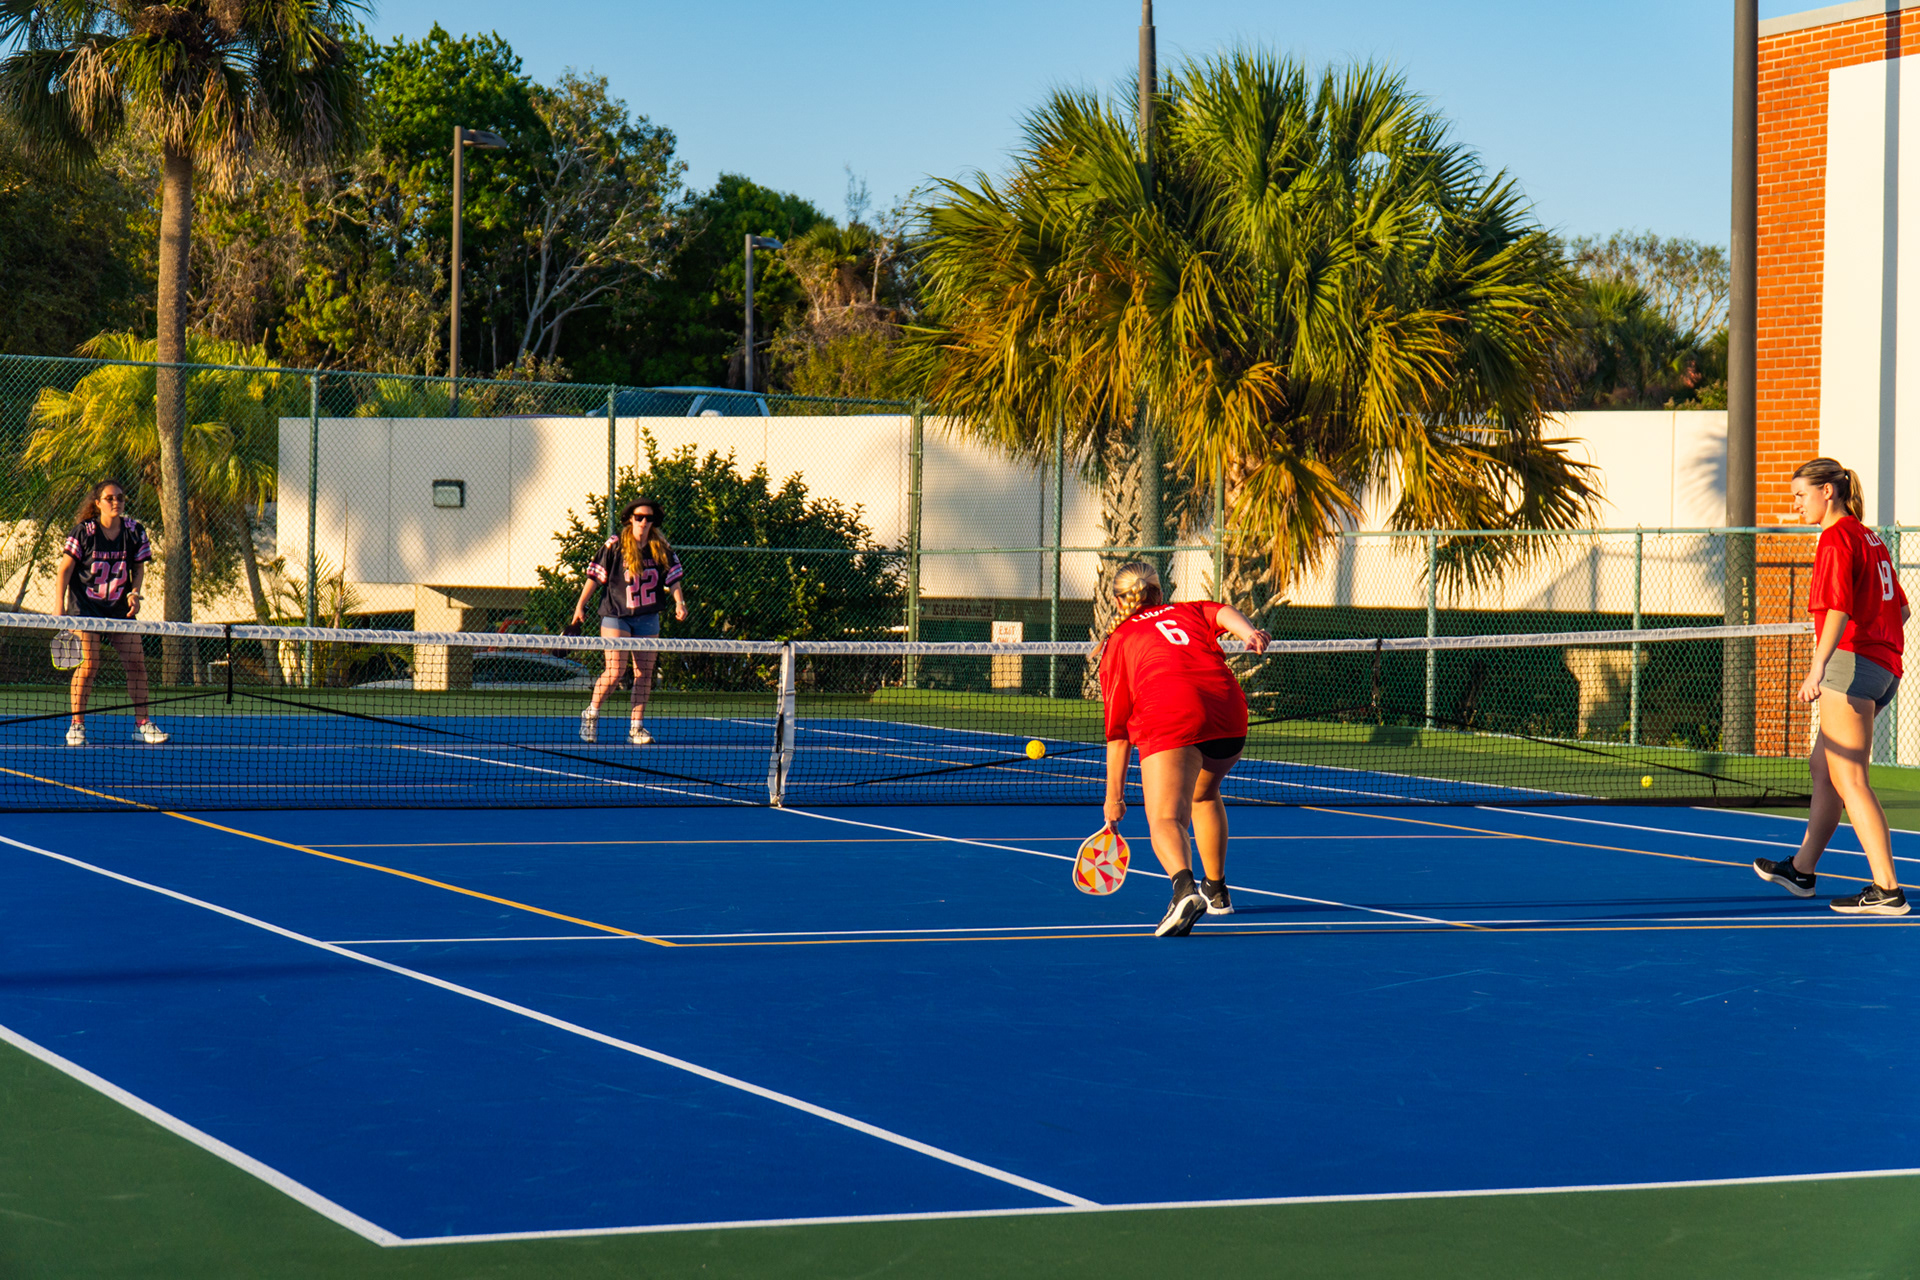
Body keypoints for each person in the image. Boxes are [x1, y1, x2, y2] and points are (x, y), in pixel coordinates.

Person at [1754, 457, 1911, 915]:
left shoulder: (1837, 538)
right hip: (1883, 667)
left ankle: (1887, 890)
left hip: (1851, 664)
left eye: (1801, 495)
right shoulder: (1870, 537)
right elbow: (1900, 610)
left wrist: (1818, 667)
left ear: (1828, 492)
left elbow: (1837, 608)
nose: (1795, 504)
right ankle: (1801, 870)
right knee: (1824, 766)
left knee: (1850, 777)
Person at [1098, 561, 1272, 936]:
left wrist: (1114, 798)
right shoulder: (1188, 610)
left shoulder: (1119, 641)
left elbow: (1118, 734)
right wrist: (1249, 633)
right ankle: (1216, 890)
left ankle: (1183, 891)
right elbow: (1222, 612)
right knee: (1204, 794)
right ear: (1159, 593)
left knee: (1165, 819)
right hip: (1227, 712)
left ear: (1117, 601)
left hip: (1173, 715)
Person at [53, 479, 169, 746]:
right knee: (90, 663)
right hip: (85, 610)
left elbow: (138, 568)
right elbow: (65, 570)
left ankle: (143, 724)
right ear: (98, 503)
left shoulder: (134, 531)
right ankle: (77, 724)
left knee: (137, 664)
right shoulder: (84, 532)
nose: (116, 502)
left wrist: (135, 593)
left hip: (119, 611)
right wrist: (58, 608)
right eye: (110, 498)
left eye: (120, 497)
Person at [569, 497, 688, 745]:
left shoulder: (660, 547)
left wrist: (679, 601)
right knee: (615, 672)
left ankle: (636, 728)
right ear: (629, 519)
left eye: (649, 518)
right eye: (639, 517)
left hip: (648, 617)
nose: (644, 522)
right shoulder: (615, 545)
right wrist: (581, 605)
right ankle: (591, 714)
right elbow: (595, 576)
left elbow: (673, 579)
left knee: (644, 674)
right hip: (616, 615)